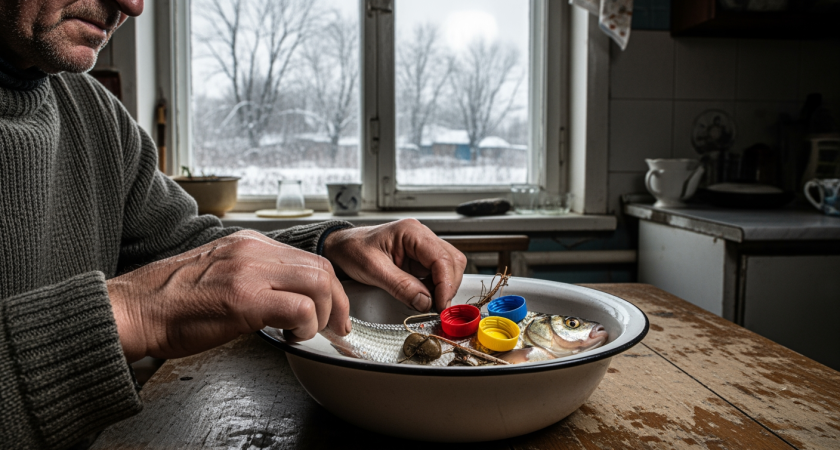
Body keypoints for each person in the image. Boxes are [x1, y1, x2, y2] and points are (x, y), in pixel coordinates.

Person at [0, 1, 467, 449]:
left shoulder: (92, 112)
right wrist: (130, 312)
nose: (134, 6)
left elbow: (188, 252)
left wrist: (330, 248)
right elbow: (170, 285)